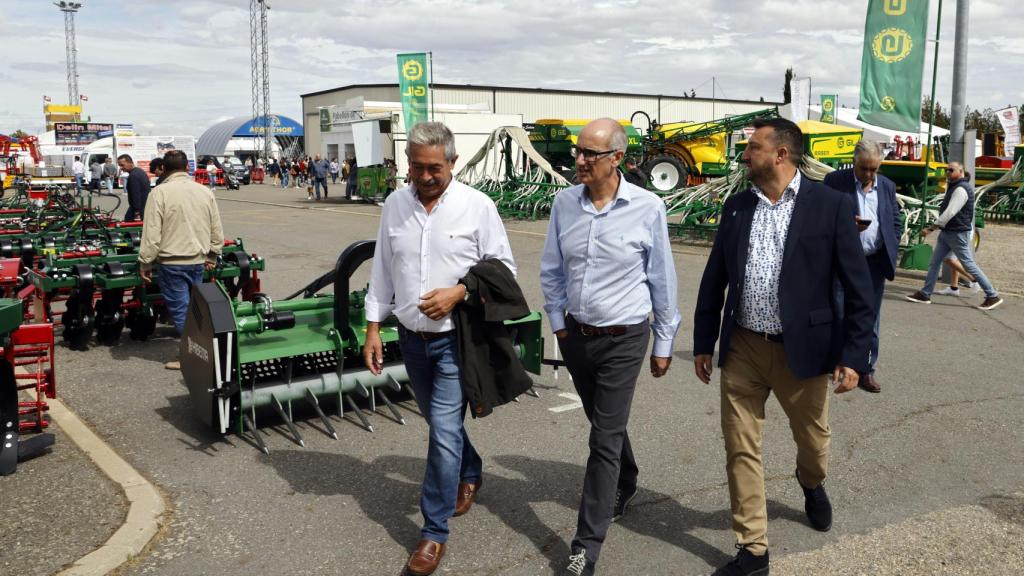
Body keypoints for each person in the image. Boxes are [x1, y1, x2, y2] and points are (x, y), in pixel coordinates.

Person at [692, 118, 874, 576]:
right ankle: (753, 549)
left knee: (813, 442)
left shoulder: (829, 206)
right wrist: (703, 341)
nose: (745, 154)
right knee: (740, 447)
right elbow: (715, 278)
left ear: (781, 154)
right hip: (745, 348)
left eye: (753, 147)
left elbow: (858, 290)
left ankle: (811, 483)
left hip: (806, 349)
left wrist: (854, 357)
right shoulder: (737, 207)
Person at [362, 122, 515, 576]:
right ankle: (470, 470)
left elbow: (503, 267)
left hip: (455, 341)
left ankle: (433, 532)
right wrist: (373, 328)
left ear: (452, 163)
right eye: (416, 166)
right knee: (438, 423)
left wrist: (461, 290)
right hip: (411, 340)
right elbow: (383, 270)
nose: (424, 176)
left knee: (442, 431)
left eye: (434, 167)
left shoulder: (476, 206)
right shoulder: (395, 204)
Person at [540, 119, 680, 576]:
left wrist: (664, 341)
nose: (579, 160)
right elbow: (552, 269)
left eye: (590, 154)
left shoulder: (647, 208)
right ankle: (629, 477)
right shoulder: (564, 204)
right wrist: (559, 325)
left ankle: (586, 546)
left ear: (616, 158)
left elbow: (662, 278)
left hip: (625, 337)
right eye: (578, 151)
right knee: (604, 421)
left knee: (601, 438)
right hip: (578, 336)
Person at [823, 140, 901, 394]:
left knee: (871, 319)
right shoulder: (835, 181)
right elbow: (821, 218)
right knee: (839, 311)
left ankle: (866, 369)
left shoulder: (887, 186)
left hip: (874, 263)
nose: (868, 175)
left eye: (873, 169)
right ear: (854, 161)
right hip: (844, 261)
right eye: (863, 168)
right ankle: (838, 363)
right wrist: (847, 226)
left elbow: (895, 221)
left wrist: (892, 243)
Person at [137, 150, 223, 370]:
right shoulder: (204, 191)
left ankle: (194, 358)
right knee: (194, 310)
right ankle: (207, 350)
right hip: (197, 261)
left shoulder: (160, 193)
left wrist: (146, 261)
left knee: (182, 312)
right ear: (187, 168)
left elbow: (152, 231)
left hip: (172, 262)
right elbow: (216, 226)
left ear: (163, 169)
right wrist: (213, 254)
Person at [906, 162, 1003, 310]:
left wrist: (931, 228)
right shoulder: (956, 187)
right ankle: (925, 294)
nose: (948, 173)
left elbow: (950, 212)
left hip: (957, 233)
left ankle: (992, 295)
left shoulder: (961, 190)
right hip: (949, 232)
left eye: (951, 170)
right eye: (947, 170)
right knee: (935, 263)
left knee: (968, 264)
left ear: (961, 171)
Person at [118, 155, 150, 222]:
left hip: (138, 209)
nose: (121, 168)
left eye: (122, 165)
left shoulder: (133, 176)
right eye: (119, 166)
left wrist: (136, 212)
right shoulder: (140, 171)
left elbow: (135, 195)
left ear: (130, 162)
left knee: (127, 228)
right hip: (145, 207)